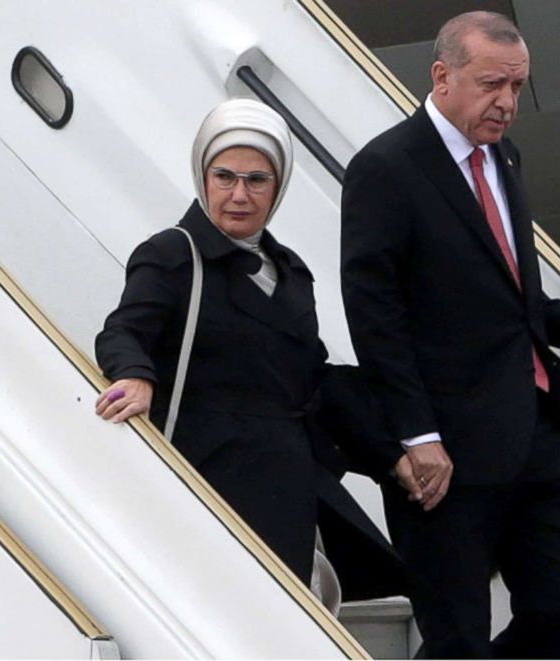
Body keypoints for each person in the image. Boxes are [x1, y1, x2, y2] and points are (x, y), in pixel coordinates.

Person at [341, 11, 560, 659]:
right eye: (493, 84)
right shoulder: (385, 169)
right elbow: (374, 318)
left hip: (530, 432)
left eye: (518, 87)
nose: (507, 103)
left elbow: (512, 292)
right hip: (443, 454)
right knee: (457, 638)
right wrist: (417, 435)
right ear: (442, 77)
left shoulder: (502, 156)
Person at [94, 98, 406, 604]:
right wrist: (135, 375)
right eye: (225, 177)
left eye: (257, 180)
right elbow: (123, 330)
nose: (239, 194)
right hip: (206, 477)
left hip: (287, 483)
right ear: (203, 178)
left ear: (277, 187)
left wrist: (390, 453)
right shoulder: (174, 252)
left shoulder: (291, 271)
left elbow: (313, 380)